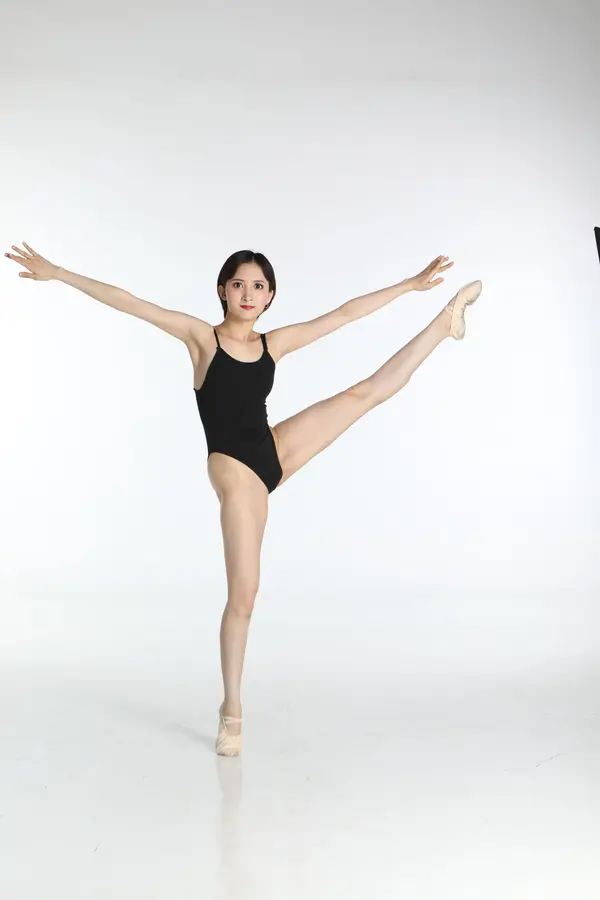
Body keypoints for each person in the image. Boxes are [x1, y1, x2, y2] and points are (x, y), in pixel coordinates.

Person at [4, 241, 482, 756]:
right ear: (222, 291)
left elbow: (343, 315)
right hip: (234, 472)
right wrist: (60, 273)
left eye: (258, 286)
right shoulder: (202, 339)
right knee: (244, 597)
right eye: (239, 284)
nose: (248, 294)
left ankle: (443, 322)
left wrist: (409, 285)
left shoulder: (273, 344)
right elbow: (132, 303)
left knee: (364, 394)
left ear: (270, 295)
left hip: (272, 450)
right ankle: (231, 711)